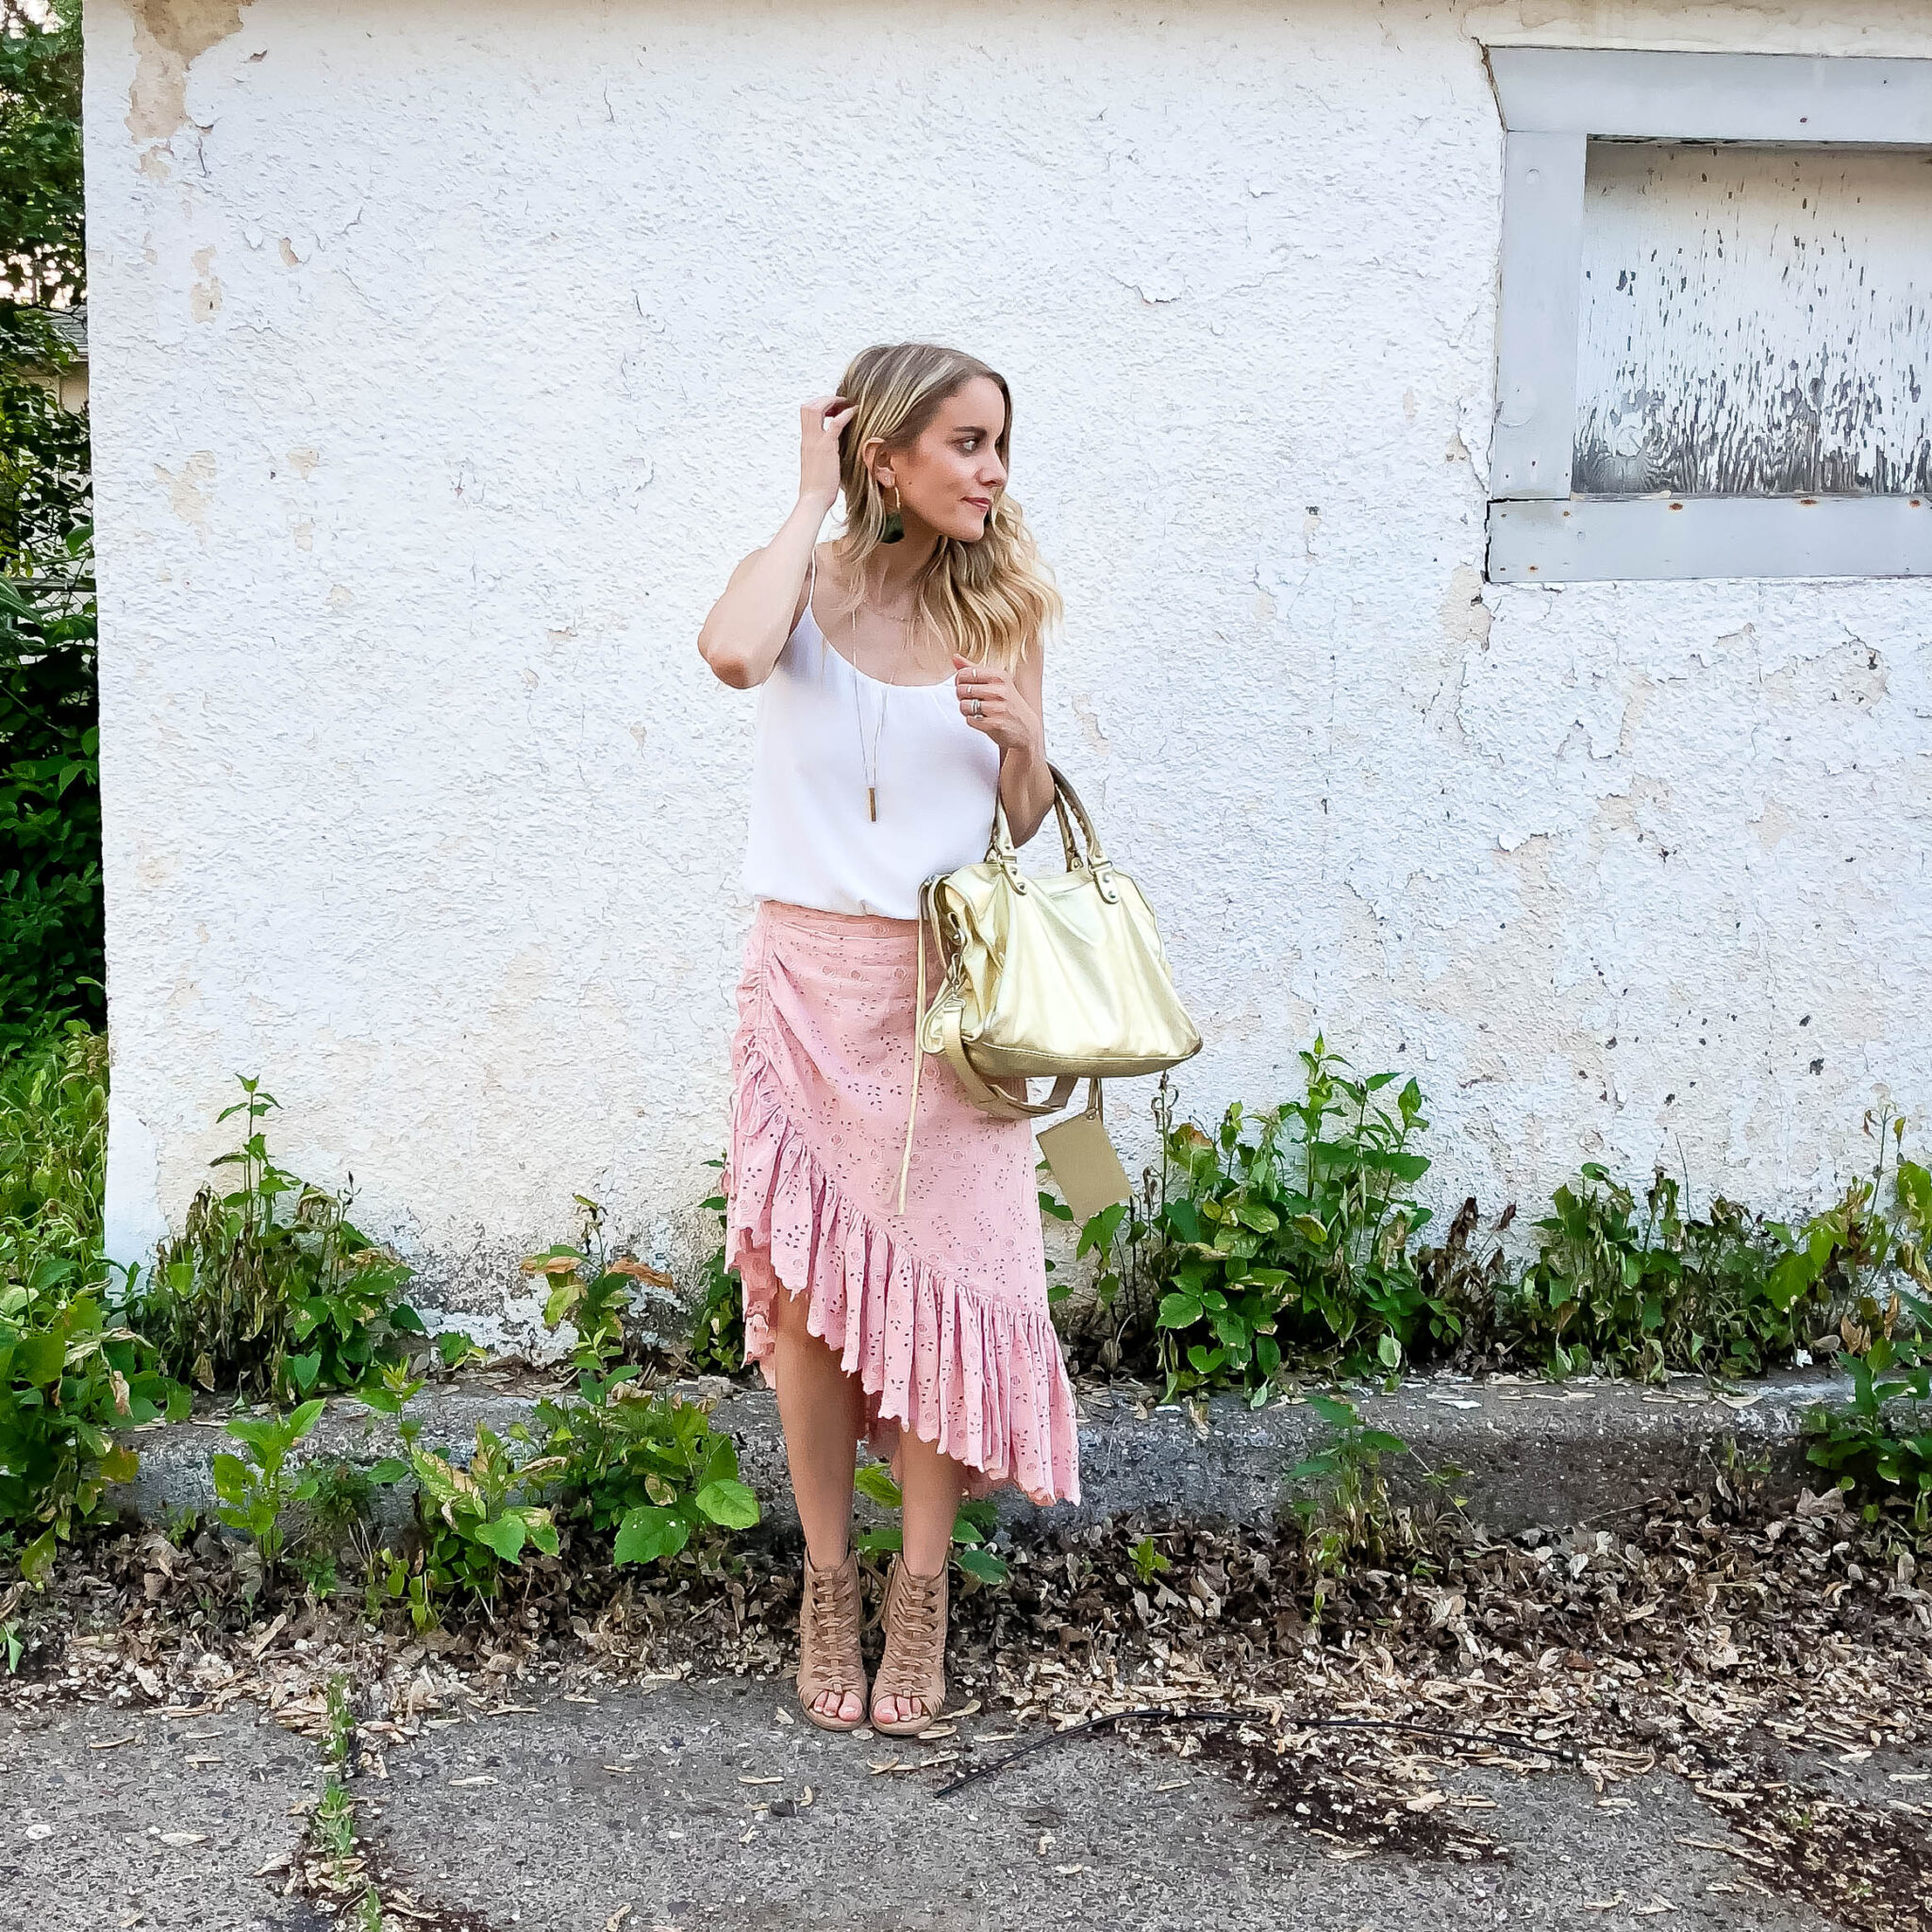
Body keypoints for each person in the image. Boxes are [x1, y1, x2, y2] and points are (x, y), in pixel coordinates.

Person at [697, 342, 1081, 1738]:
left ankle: (920, 1594)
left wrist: (1026, 736)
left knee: (935, 1296)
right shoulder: (798, 582)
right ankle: (827, 1581)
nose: (990, 473)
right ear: (890, 453)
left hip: (943, 999)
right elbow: (733, 653)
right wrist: (809, 494)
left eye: (999, 448)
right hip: (805, 986)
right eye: (966, 444)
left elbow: (1022, 821)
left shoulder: (1005, 607)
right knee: (807, 1305)